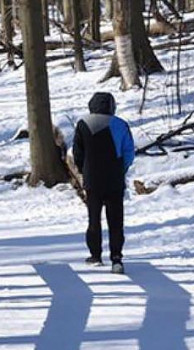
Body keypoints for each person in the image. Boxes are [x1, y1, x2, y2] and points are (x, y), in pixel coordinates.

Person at [72, 92, 135, 274]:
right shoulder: (121, 124)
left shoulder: (83, 124)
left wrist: (84, 170)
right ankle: (116, 258)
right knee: (116, 220)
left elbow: (77, 152)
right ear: (112, 106)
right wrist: (121, 169)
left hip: (92, 180)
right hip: (114, 179)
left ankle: (95, 255)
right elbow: (129, 152)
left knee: (94, 218)